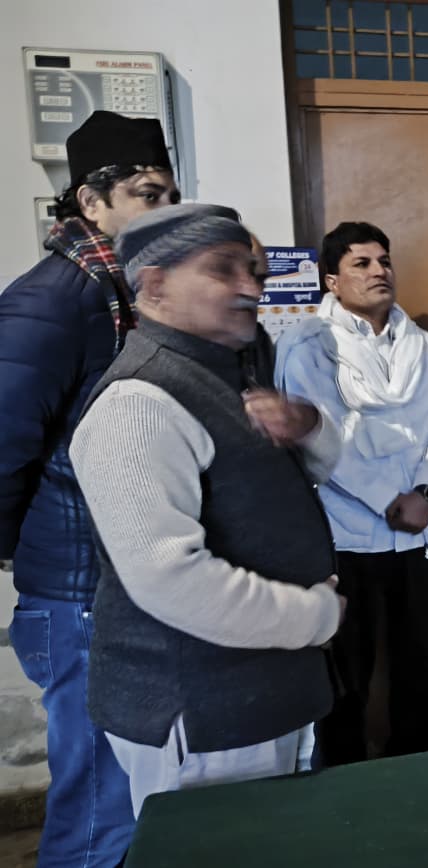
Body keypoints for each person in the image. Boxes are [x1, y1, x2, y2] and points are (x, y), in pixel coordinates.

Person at [68, 203, 345, 817]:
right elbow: (170, 579)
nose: (252, 288)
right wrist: (316, 616)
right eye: (224, 269)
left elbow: (294, 483)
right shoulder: (137, 403)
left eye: (254, 270)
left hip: (263, 695)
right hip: (202, 713)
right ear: (155, 284)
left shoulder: (228, 372)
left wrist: (307, 426)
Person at [0, 111, 179, 866]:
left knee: (134, 795)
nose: (166, 213)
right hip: (78, 594)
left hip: (126, 580)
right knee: (101, 809)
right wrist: (26, 552)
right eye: (147, 195)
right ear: (92, 201)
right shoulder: (51, 302)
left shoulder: (131, 294)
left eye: (171, 196)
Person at [275, 220, 428, 763]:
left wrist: (426, 492)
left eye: (384, 261)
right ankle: (347, 790)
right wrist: (389, 499)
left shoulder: (419, 342)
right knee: (347, 677)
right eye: (361, 263)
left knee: (417, 669)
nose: (378, 271)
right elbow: (321, 439)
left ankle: (415, 774)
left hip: (422, 534)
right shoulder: (308, 345)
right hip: (349, 540)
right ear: (332, 281)